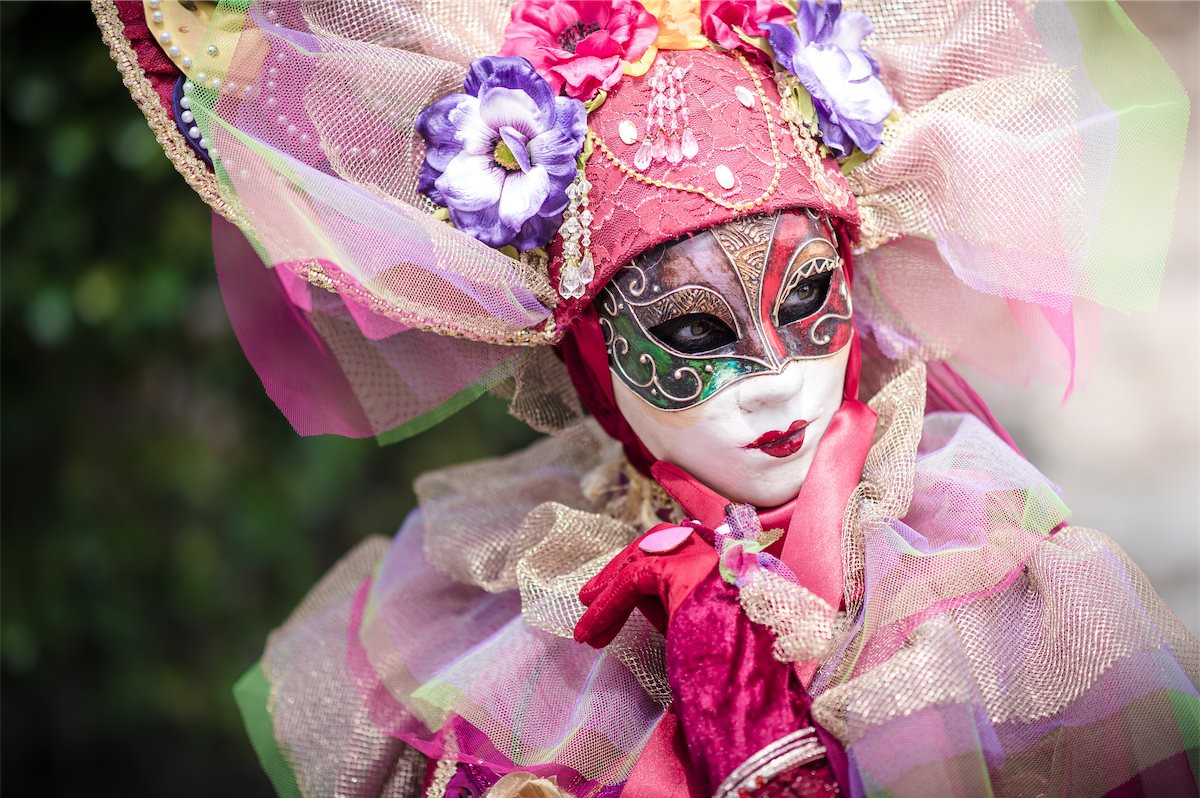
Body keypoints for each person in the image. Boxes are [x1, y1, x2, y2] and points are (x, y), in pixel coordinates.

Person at [95, 0, 1197, 795]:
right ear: (582, 353)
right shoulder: (535, 654)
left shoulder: (1009, 599)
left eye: (810, 300)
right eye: (689, 333)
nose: (775, 381)